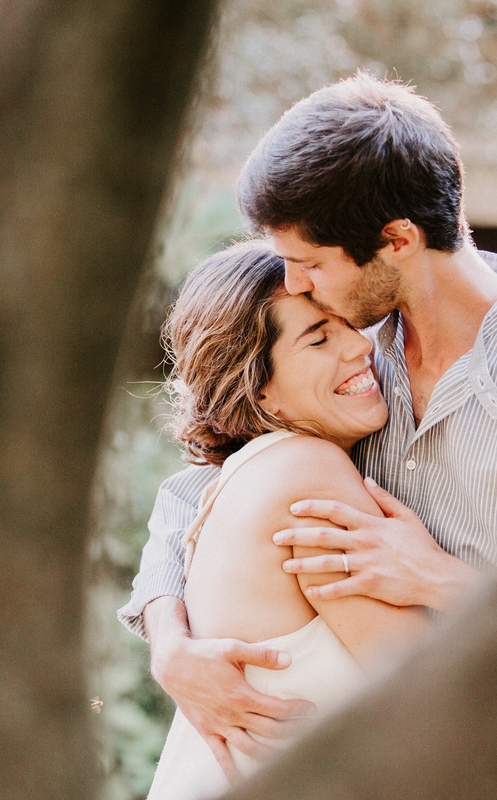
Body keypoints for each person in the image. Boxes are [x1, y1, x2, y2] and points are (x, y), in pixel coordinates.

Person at [120, 73, 497, 799]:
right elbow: (197, 496)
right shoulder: (351, 361)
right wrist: (170, 645)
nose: (295, 285)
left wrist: (443, 579)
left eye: (310, 263)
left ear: (397, 240)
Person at [145, 240, 427, 799]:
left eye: (348, 324)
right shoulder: (307, 472)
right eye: (319, 339)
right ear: (261, 388)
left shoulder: (248, 473)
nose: (360, 345)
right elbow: (431, 683)